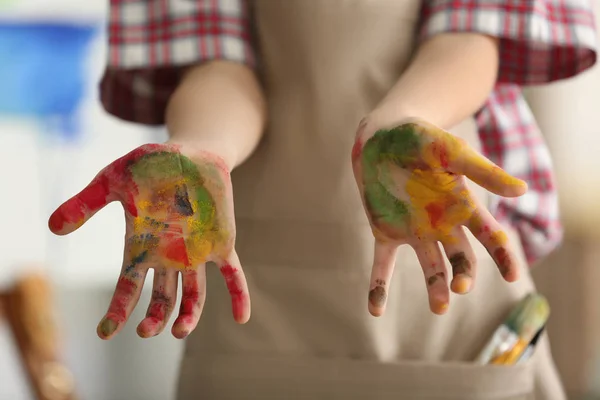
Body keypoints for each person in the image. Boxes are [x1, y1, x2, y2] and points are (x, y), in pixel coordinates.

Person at [49, 0, 597, 398]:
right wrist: (200, 151)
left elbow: (468, 37)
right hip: (260, 311)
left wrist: (401, 122)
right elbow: (218, 68)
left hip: (442, 277)